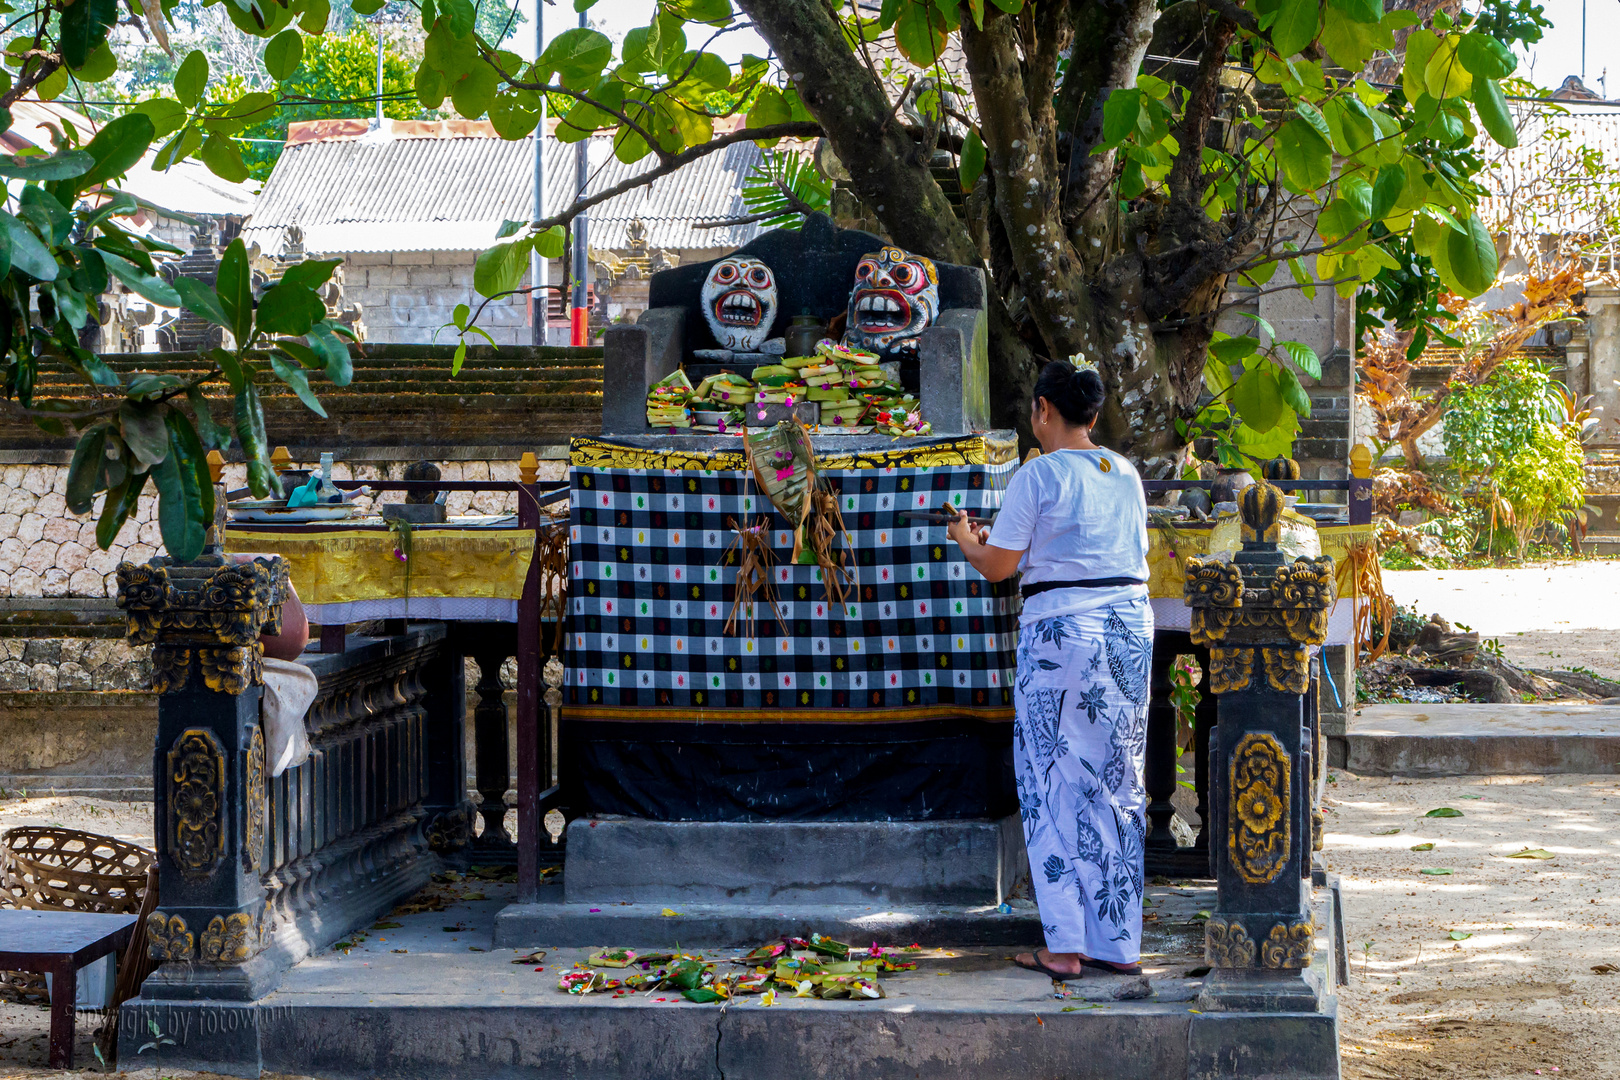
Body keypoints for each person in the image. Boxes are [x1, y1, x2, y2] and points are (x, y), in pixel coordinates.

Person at [946, 359, 1153, 980]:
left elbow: (998, 567)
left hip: (1063, 636)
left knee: (1051, 782)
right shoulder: (1125, 472)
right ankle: (1117, 942)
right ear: (1092, 414)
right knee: (1117, 780)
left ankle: (1064, 946)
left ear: (1043, 410)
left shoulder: (1038, 475)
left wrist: (963, 536)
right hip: (1127, 631)